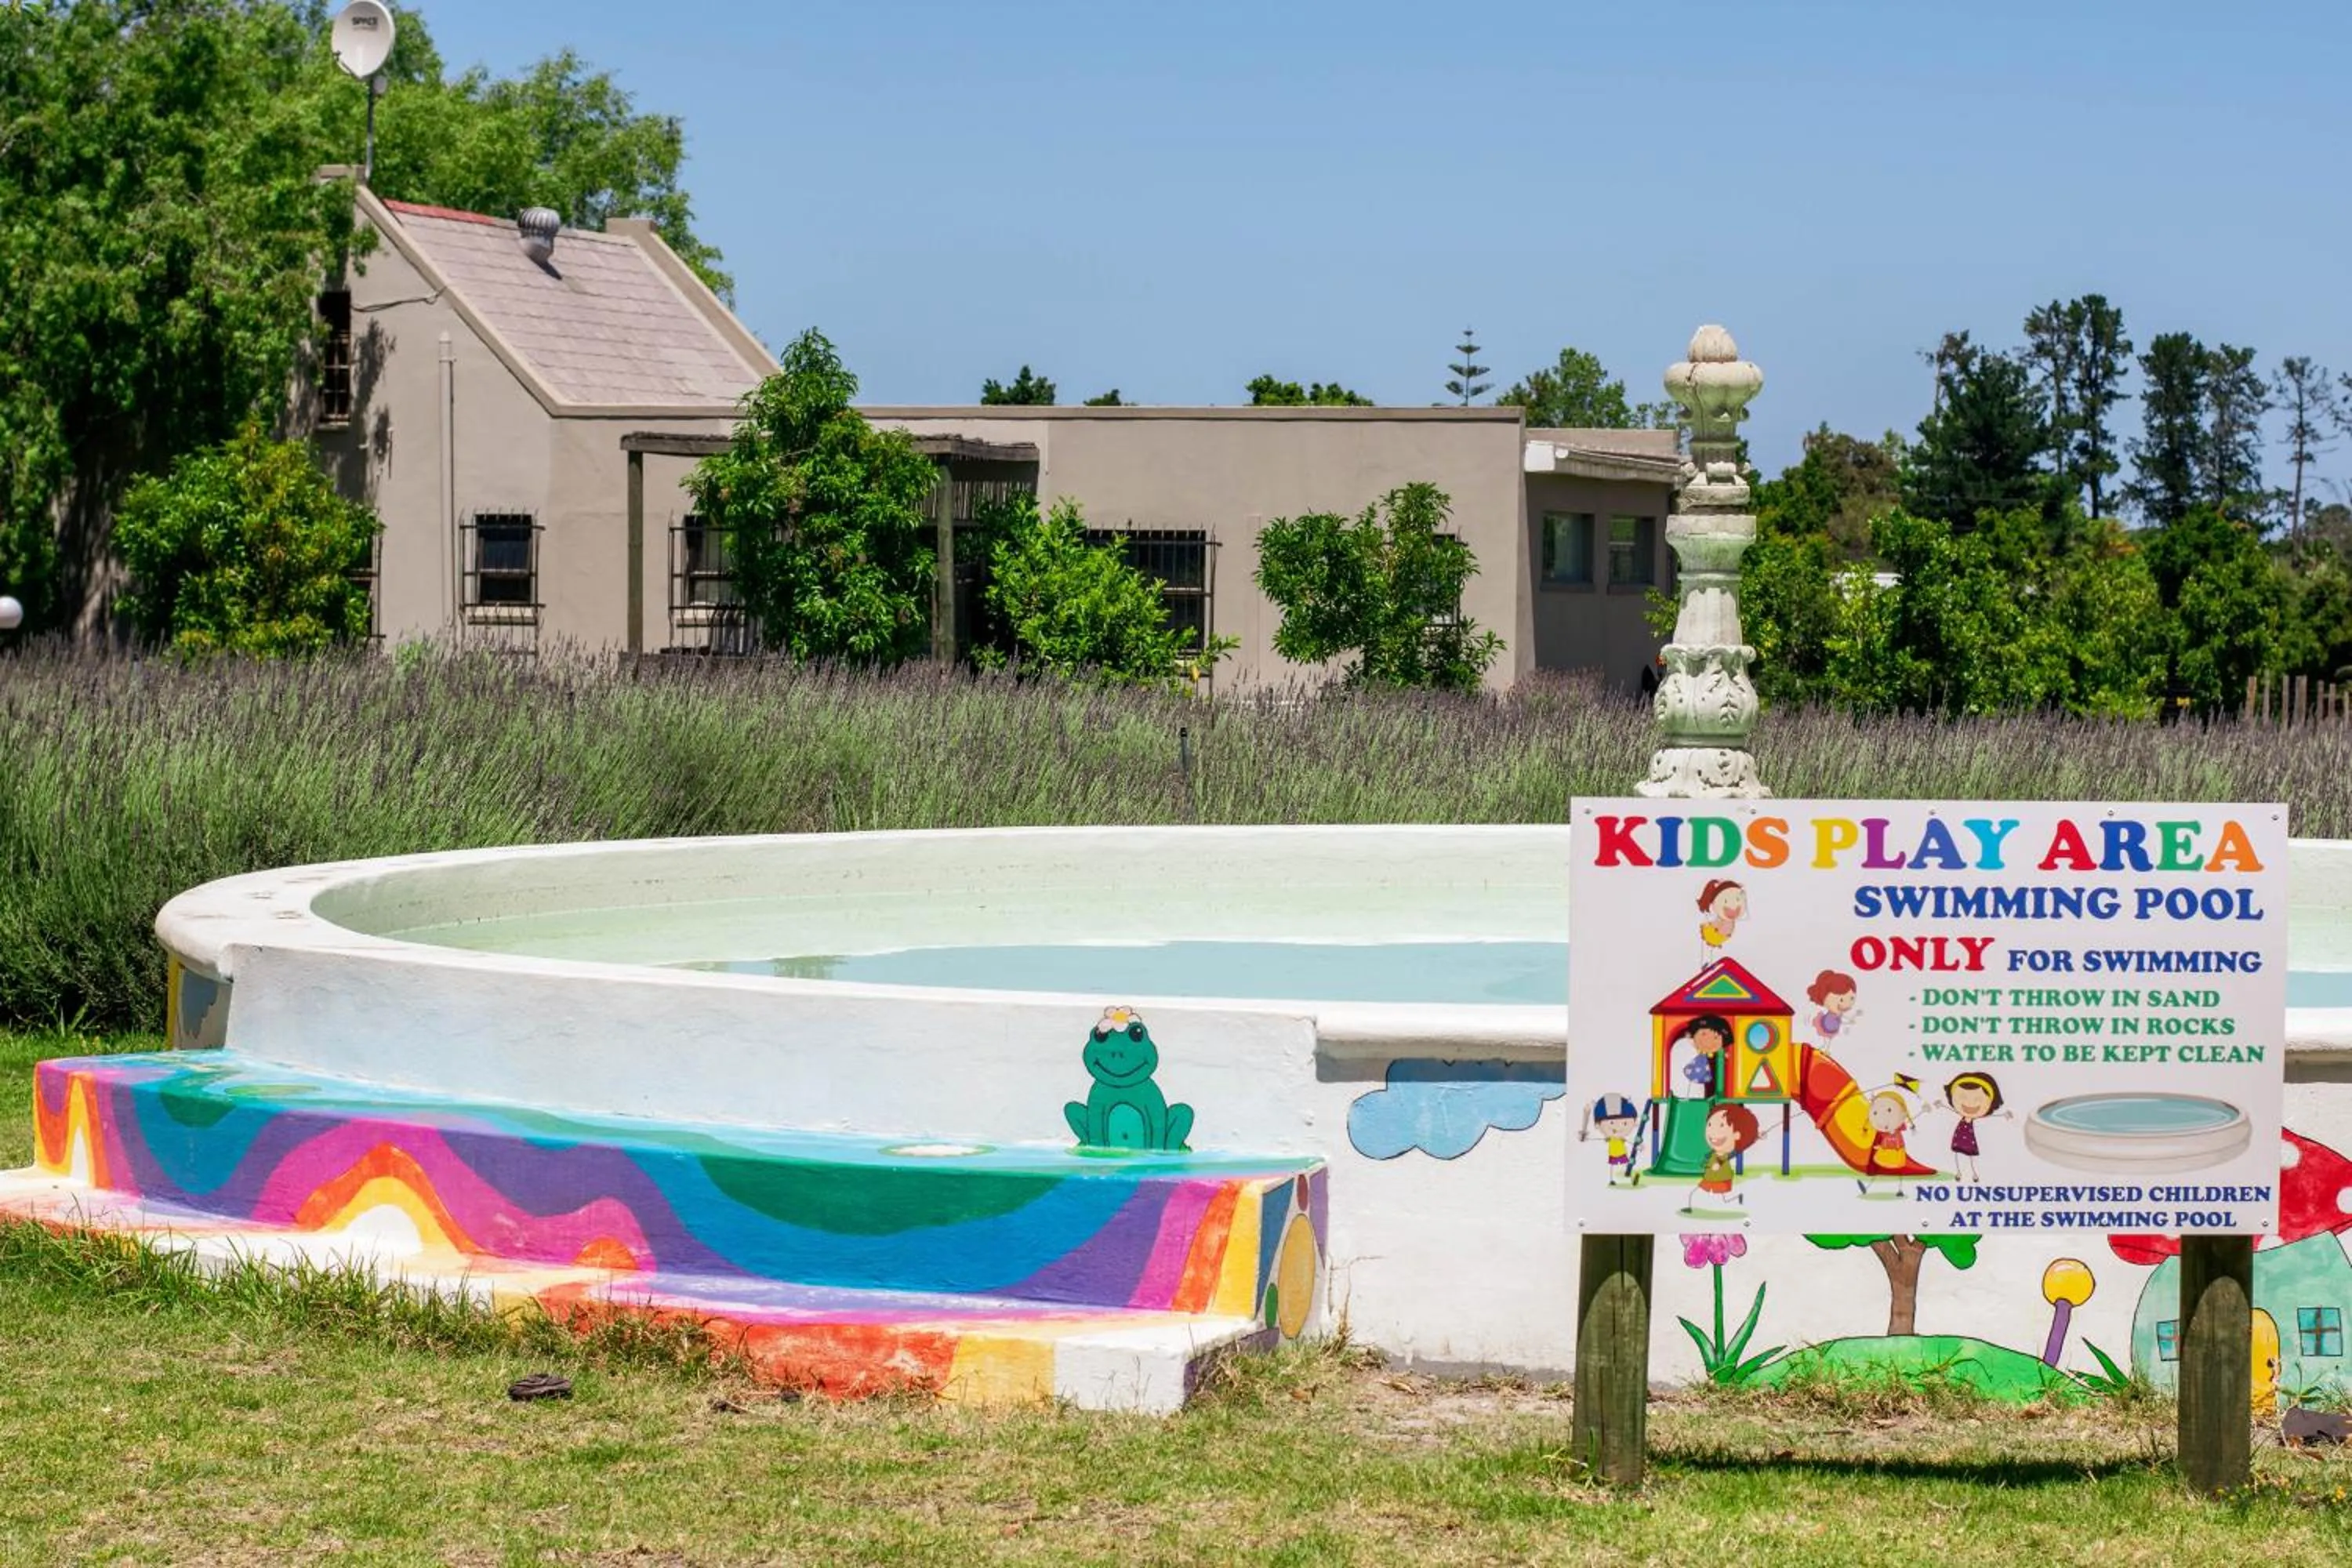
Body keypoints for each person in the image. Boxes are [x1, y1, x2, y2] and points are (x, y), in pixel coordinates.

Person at [1682, 1102, 1762, 1214]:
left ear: (1736, 1135)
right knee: (1698, 1192)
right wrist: (1705, 1164)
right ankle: (1690, 1207)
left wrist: (1755, 1137)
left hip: (1721, 1178)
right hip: (1710, 1177)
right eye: (1710, 1125)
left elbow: (1737, 1150)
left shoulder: (1726, 1154)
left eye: (1721, 1126)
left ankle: (1737, 1198)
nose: (1713, 1133)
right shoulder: (1712, 1153)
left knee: (1723, 1198)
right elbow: (1708, 1160)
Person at [1932, 1072, 2011, 1183]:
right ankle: (1959, 1172)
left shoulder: (1982, 1123)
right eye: (1962, 1097)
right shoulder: (1959, 1115)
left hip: (1969, 1139)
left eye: (1978, 1099)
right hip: (1959, 1137)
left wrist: (2004, 1116)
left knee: (1970, 1156)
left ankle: (1974, 1174)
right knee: (1957, 1153)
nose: (1969, 1103)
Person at [1580, 1093, 1646, 1187]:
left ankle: (1631, 1178)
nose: (1618, 1127)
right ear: (1597, 1125)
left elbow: (1630, 1142)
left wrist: (1638, 1146)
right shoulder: (1610, 1139)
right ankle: (1612, 1180)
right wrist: (1585, 1137)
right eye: (1611, 1123)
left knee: (1626, 1166)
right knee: (1613, 1167)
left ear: (1635, 1122)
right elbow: (1596, 1139)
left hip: (1622, 1153)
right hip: (1613, 1154)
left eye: (1624, 1123)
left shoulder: (1620, 1139)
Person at [1672, 1014, 1733, 1099]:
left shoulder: (1720, 1057)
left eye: (1716, 1037)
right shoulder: (1704, 1056)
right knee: (1710, 1087)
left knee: (1715, 1084)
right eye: (1703, 1034)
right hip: (1710, 1089)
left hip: (1721, 1090)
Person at [1806, 970, 1863, 1041]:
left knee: (1828, 1041)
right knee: (1825, 1040)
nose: (1846, 1004)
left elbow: (1843, 1019)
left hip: (1831, 1030)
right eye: (1841, 1000)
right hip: (1827, 1029)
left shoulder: (1838, 1013)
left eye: (1852, 998)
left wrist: (1853, 1017)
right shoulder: (1831, 1015)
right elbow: (1839, 1021)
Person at [1696, 880, 1747, 957]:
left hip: (1719, 935)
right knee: (1708, 953)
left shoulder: (1730, 919)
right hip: (1714, 933)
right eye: (1726, 901)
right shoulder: (1721, 919)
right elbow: (1716, 924)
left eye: (1738, 900)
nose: (1733, 907)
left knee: (1710, 953)